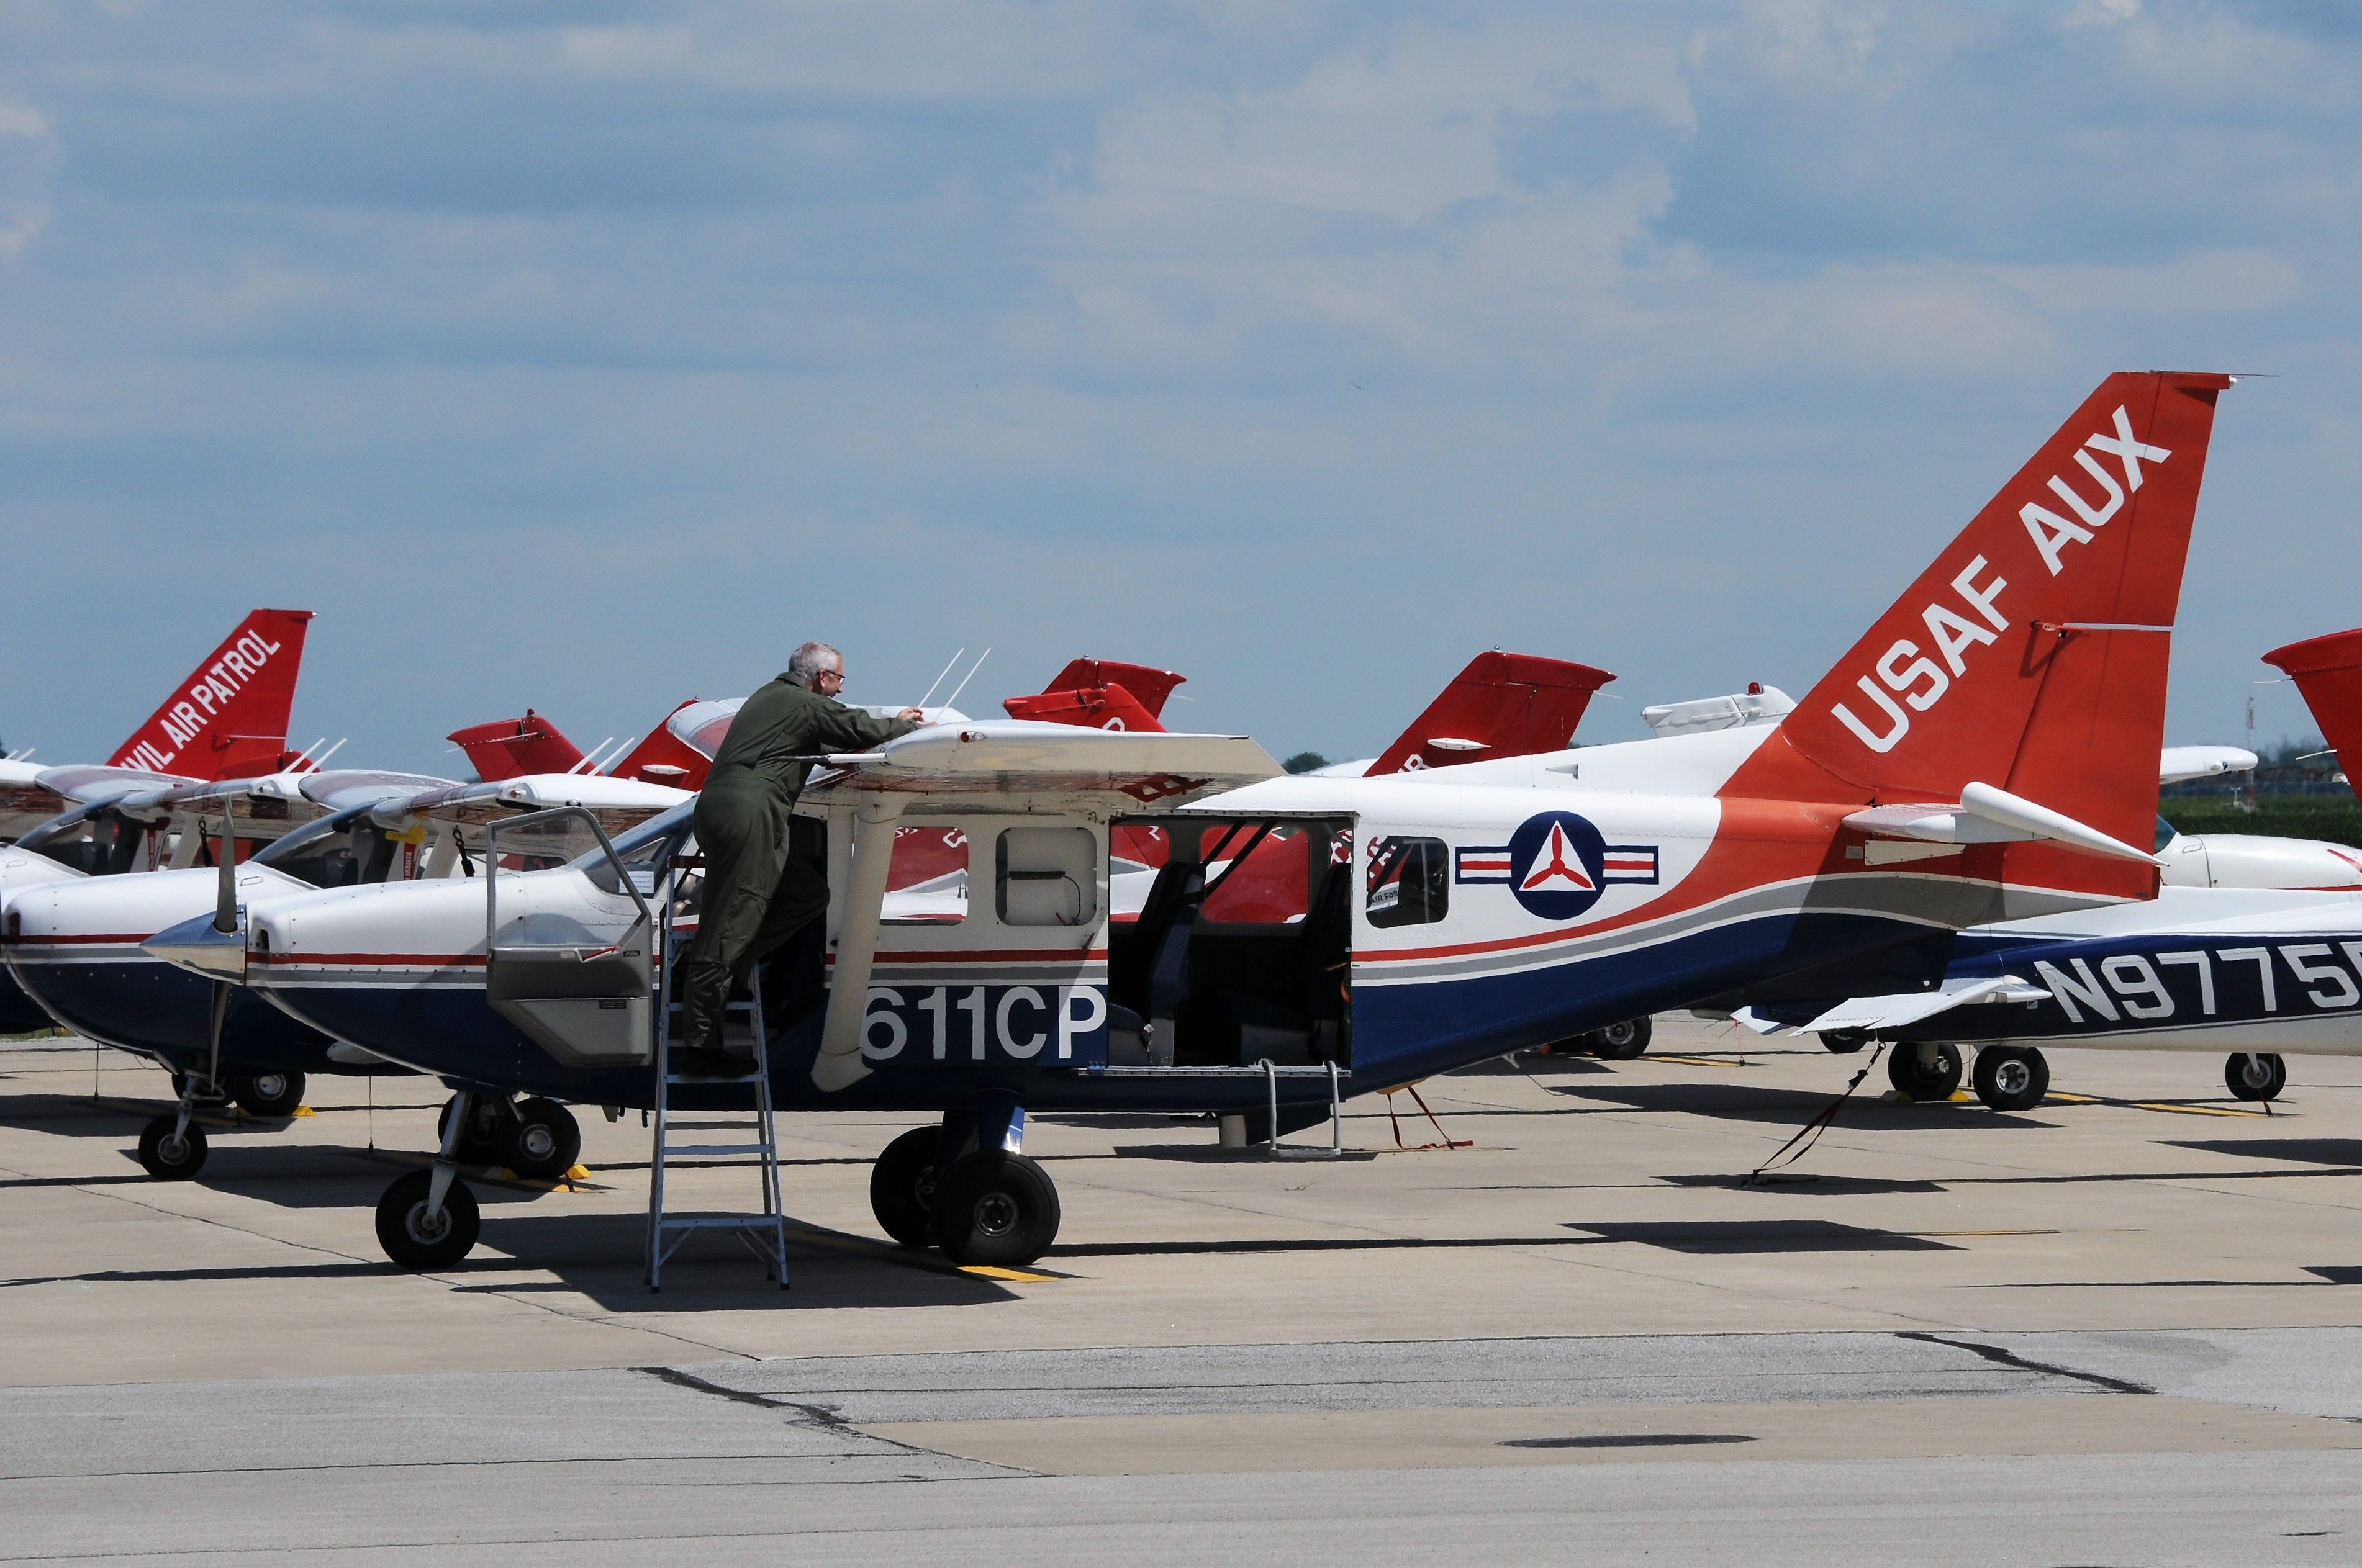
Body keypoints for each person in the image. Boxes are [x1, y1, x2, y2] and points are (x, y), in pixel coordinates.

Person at [675, 641, 926, 1075]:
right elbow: (855, 727)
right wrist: (902, 726)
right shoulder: (801, 702)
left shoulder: (772, 698)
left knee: (808, 894)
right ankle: (701, 1044)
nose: (840, 690)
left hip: (735, 809)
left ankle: (735, 966)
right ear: (822, 678)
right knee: (730, 924)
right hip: (751, 812)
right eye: (840, 680)